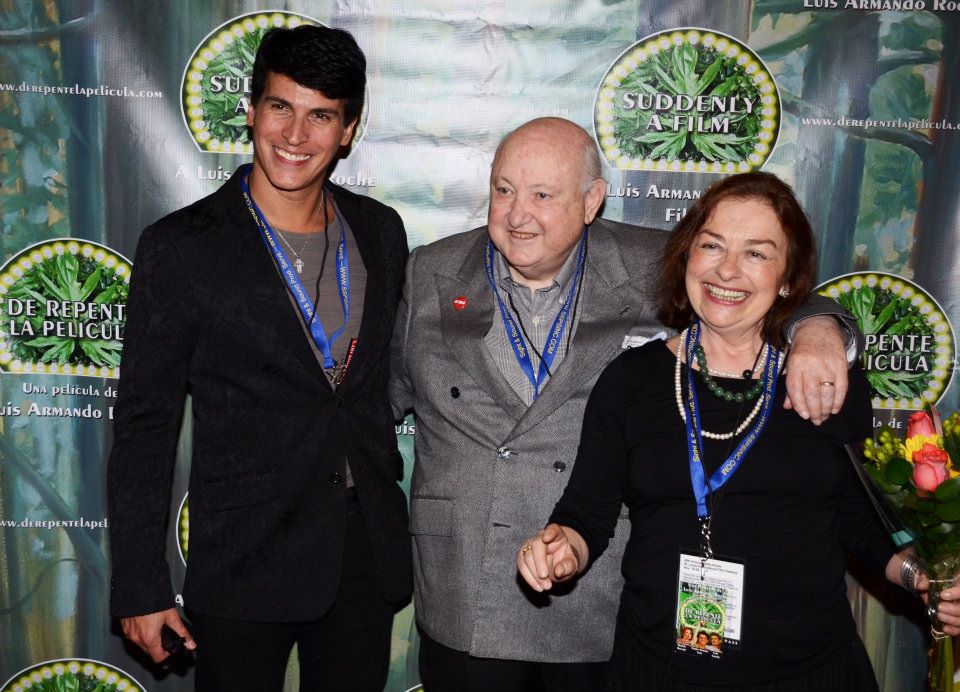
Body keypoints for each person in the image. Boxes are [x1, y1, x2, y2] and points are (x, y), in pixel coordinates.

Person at [390, 117, 860, 692]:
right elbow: (378, 405)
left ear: (592, 201)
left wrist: (821, 328)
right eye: (504, 190)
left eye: (543, 195)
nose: (517, 214)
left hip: (597, 601)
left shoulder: (652, 263)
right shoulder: (430, 271)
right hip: (466, 587)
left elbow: (753, 281)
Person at [516, 171, 960, 691]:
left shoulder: (823, 381)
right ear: (686, 256)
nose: (727, 269)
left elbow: (858, 521)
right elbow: (586, 514)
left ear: (789, 278)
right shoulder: (630, 381)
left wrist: (923, 577)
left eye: (757, 253)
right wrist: (561, 548)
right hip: (659, 673)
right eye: (711, 245)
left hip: (811, 675)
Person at [107, 26, 411, 692]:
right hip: (245, 558)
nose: (296, 134)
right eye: (281, 106)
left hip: (359, 554)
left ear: (349, 129)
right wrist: (138, 585)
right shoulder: (182, 248)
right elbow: (144, 427)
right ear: (250, 110)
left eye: (321, 115)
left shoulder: (381, 232)